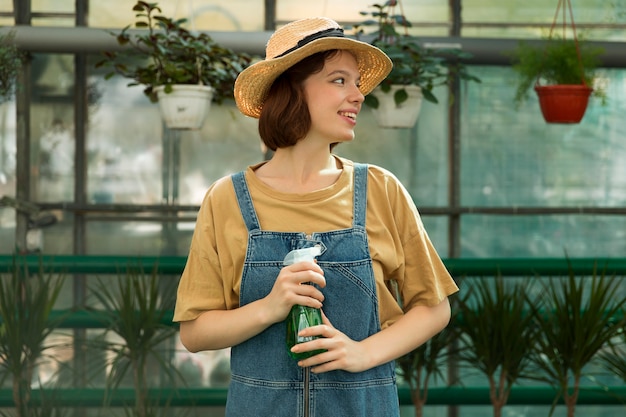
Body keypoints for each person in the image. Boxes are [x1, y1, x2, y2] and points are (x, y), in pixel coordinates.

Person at [173, 16, 459, 416]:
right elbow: (194, 331)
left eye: (357, 83)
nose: (358, 95)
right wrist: (269, 308)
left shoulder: (380, 190)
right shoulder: (228, 199)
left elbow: (433, 307)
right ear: (291, 89)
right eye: (339, 80)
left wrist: (360, 353)